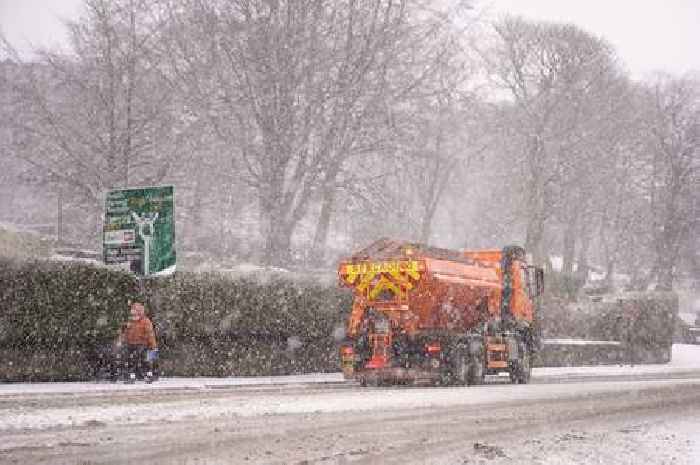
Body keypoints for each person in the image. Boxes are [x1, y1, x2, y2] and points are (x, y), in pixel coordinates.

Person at [118, 302, 158, 384]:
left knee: (144, 360)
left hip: (142, 344)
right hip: (131, 344)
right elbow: (125, 332)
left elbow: (150, 334)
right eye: (132, 313)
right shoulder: (130, 322)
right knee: (130, 360)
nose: (134, 316)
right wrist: (121, 340)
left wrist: (153, 345)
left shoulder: (145, 321)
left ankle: (149, 375)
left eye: (136, 313)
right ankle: (131, 376)